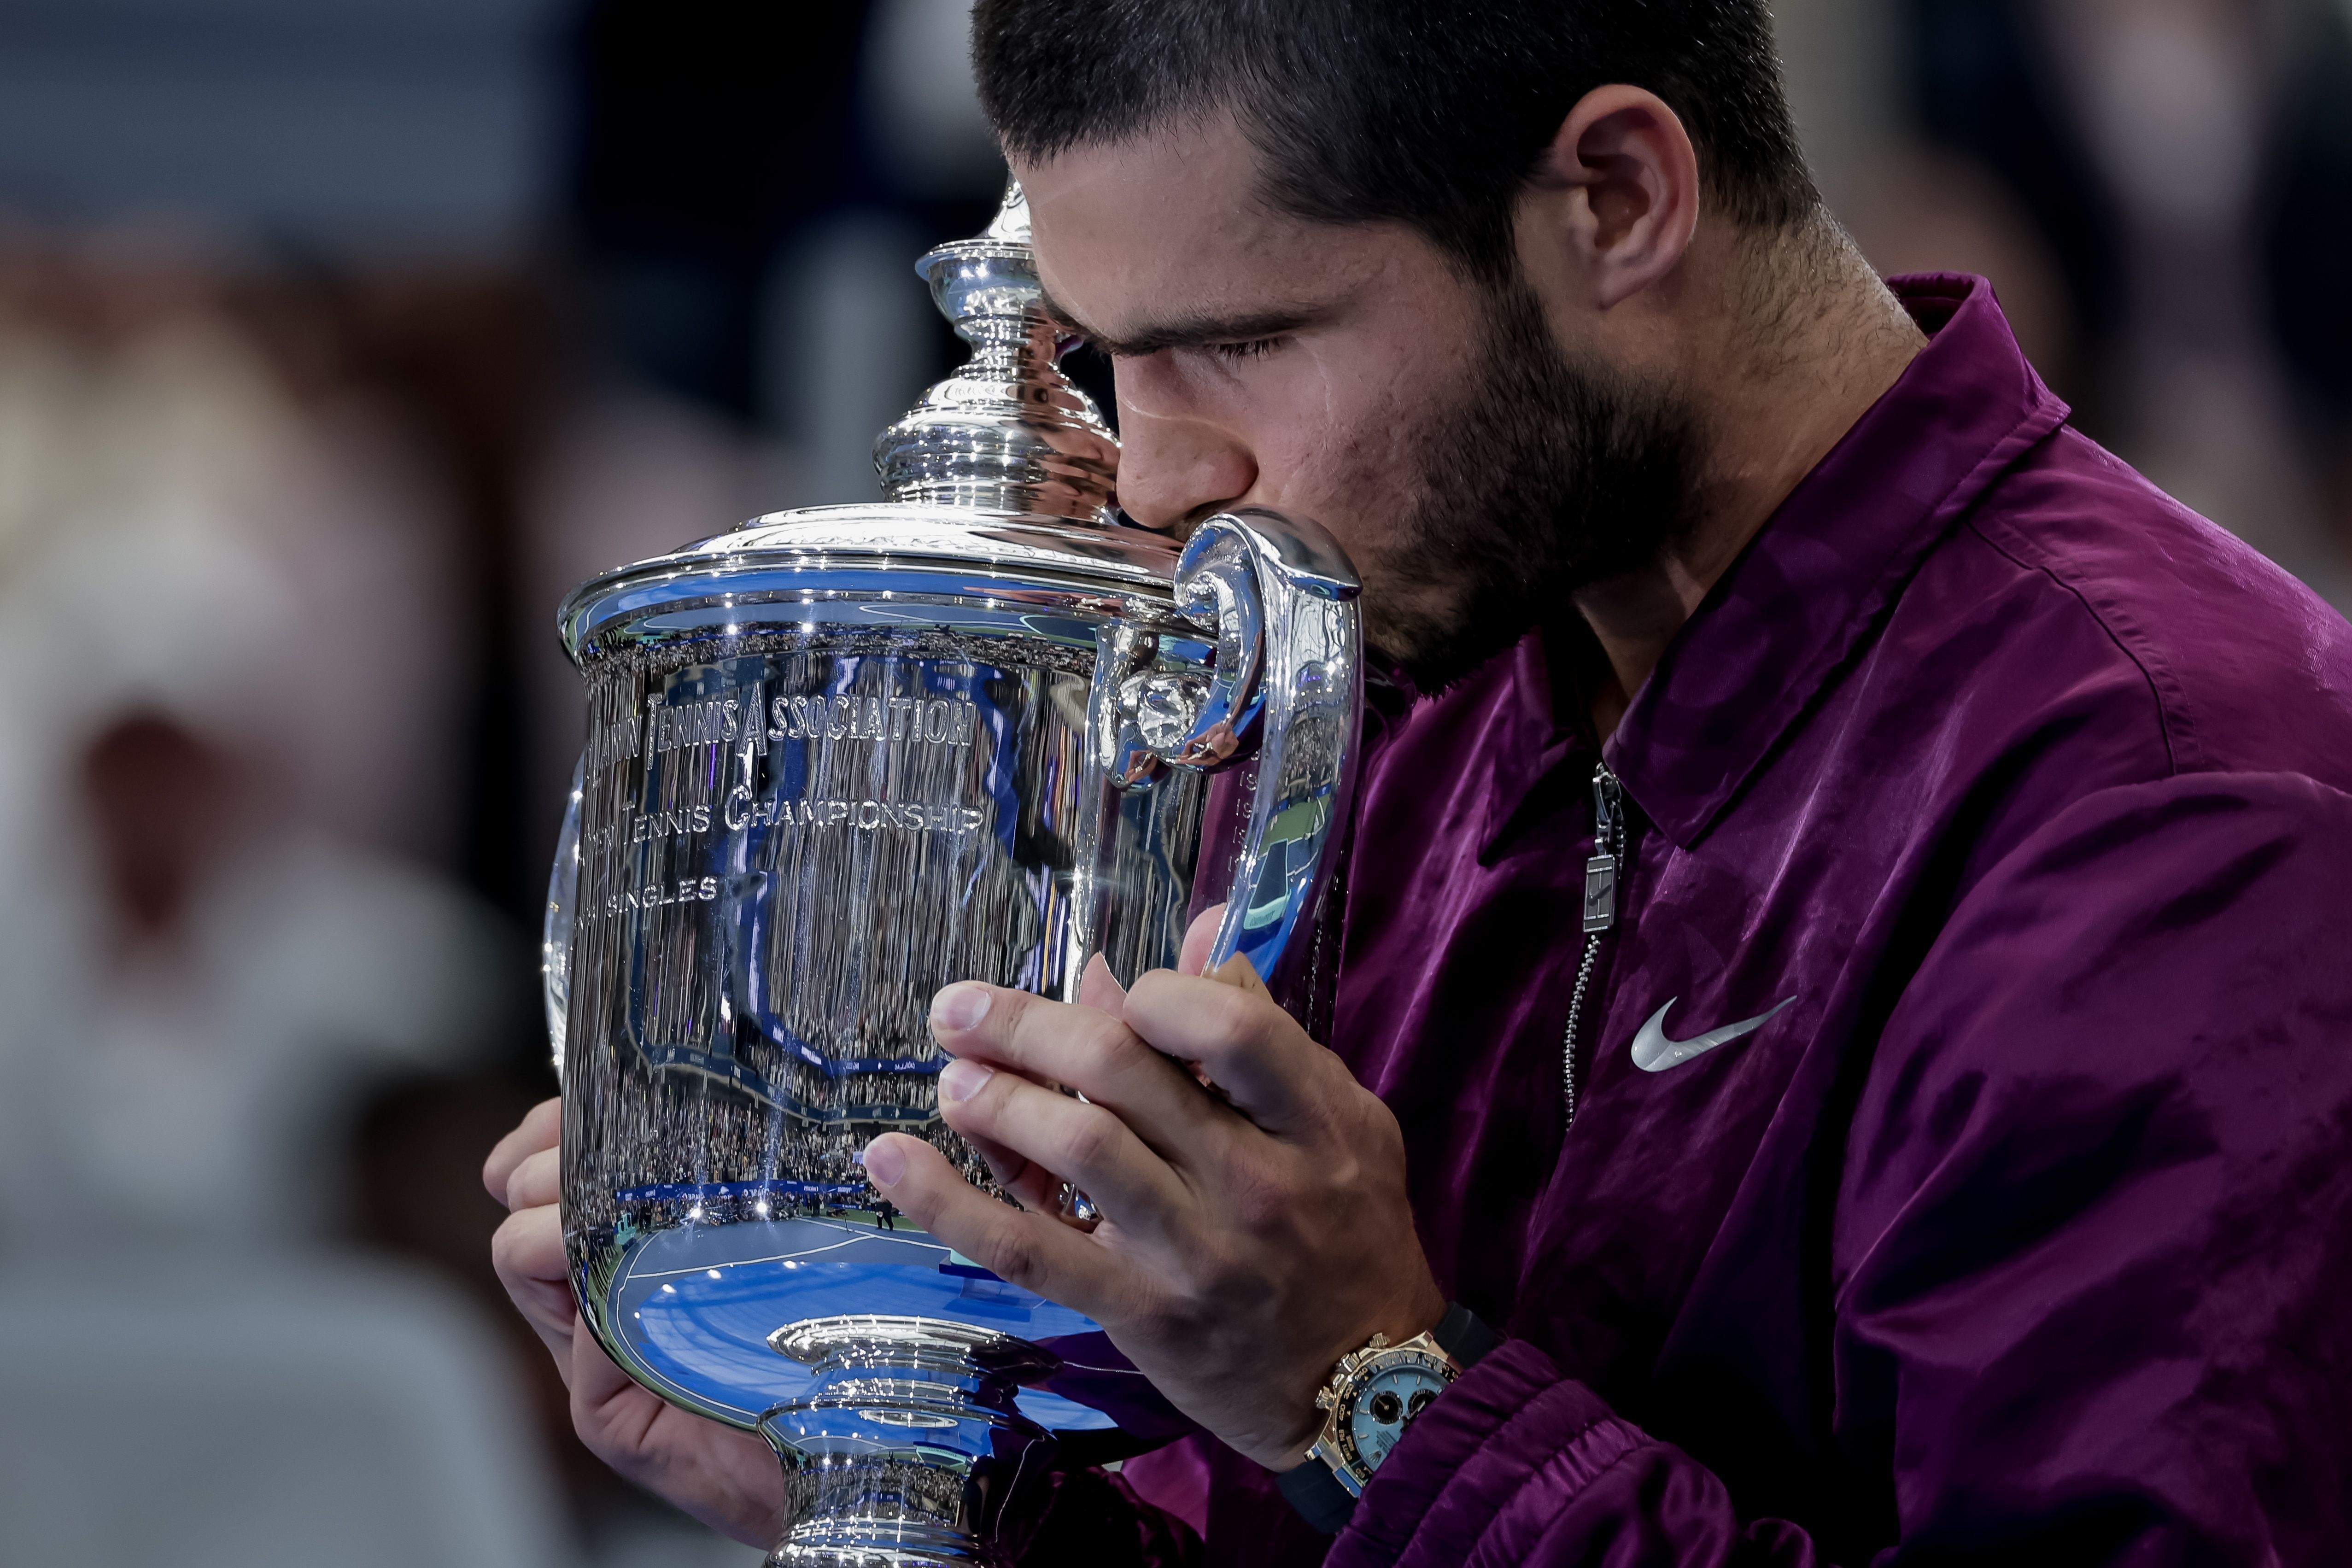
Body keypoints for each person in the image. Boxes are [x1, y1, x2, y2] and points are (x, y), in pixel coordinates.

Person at [485, 2, 2352, 1562]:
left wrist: (1371, 1385)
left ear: (1614, 197)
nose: (1155, 476)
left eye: (1235, 342)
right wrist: (919, 1485)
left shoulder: (2172, 802)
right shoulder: (1400, 667)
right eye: (1109, 356)